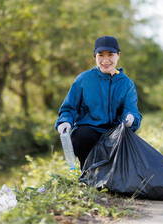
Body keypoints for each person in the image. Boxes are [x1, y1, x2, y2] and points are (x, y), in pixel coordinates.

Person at [55, 36, 142, 170]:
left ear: (118, 55)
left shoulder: (126, 83)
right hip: (89, 132)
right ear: (94, 56)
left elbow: (131, 110)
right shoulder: (83, 79)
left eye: (110, 55)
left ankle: (114, 176)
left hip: (115, 133)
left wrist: (131, 118)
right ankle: (88, 174)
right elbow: (69, 108)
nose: (105, 60)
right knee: (82, 136)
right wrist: (65, 121)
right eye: (100, 55)